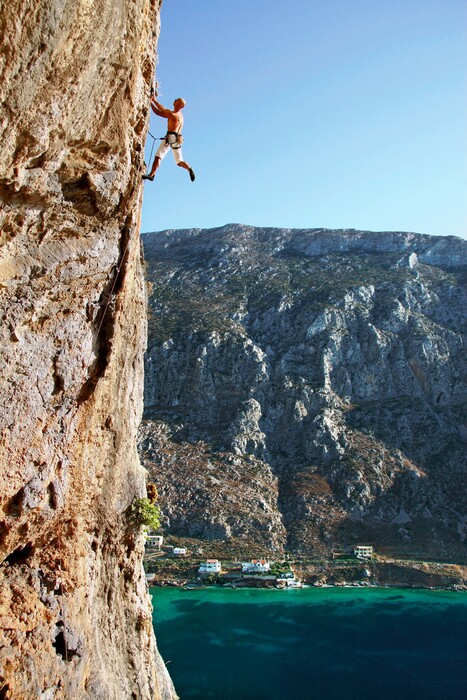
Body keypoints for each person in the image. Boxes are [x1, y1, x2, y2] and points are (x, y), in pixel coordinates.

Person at [143, 96, 195, 182]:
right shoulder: (180, 115)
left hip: (170, 138)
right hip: (177, 139)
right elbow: (163, 109)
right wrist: (154, 101)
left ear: (179, 105)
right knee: (179, 161)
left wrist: (150, 103)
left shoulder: (173, 115)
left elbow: (158, 112)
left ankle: (151, 175)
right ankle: (189, 168)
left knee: (158, 156)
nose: (174, 100)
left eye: (176, 101)